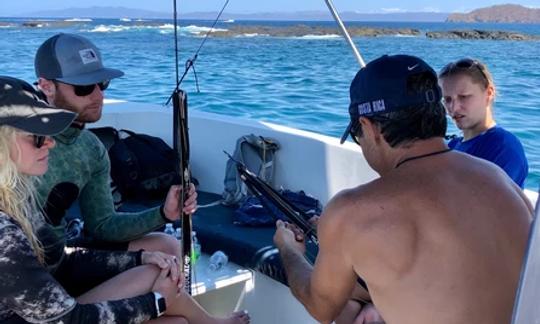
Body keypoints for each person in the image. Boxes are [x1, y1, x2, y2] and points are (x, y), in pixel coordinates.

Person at [273, 55, 533, 324]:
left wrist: (289, 250)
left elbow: (321, 307)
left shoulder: (350, 212)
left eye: (356, 135)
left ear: (369, 128)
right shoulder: (501, 182)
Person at [0, 76, 250, 323]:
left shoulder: (18, 197)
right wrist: (157, 301)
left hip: (49, 298)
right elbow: (68, 320)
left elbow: (63, 261)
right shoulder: (4, 233)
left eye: (102, 85)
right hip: (52, 316)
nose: (50, 143)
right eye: (37, 136)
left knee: (162, 282)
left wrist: (141, 255)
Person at [33, 33, 192, 259]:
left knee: (167, 246)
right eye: (85, 86)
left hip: (60, 259)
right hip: (19, 266)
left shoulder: (91, 148)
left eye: (102, 83)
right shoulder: (17, 138)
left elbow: (103, 224)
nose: (99, 95)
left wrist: (164, 213)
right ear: (47, 87)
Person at [439, 58, 528, 188]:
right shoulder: (452, 145)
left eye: (464, 97)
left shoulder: (503, 147)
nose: (454, 107)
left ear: (489, 93)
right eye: (447, 99)